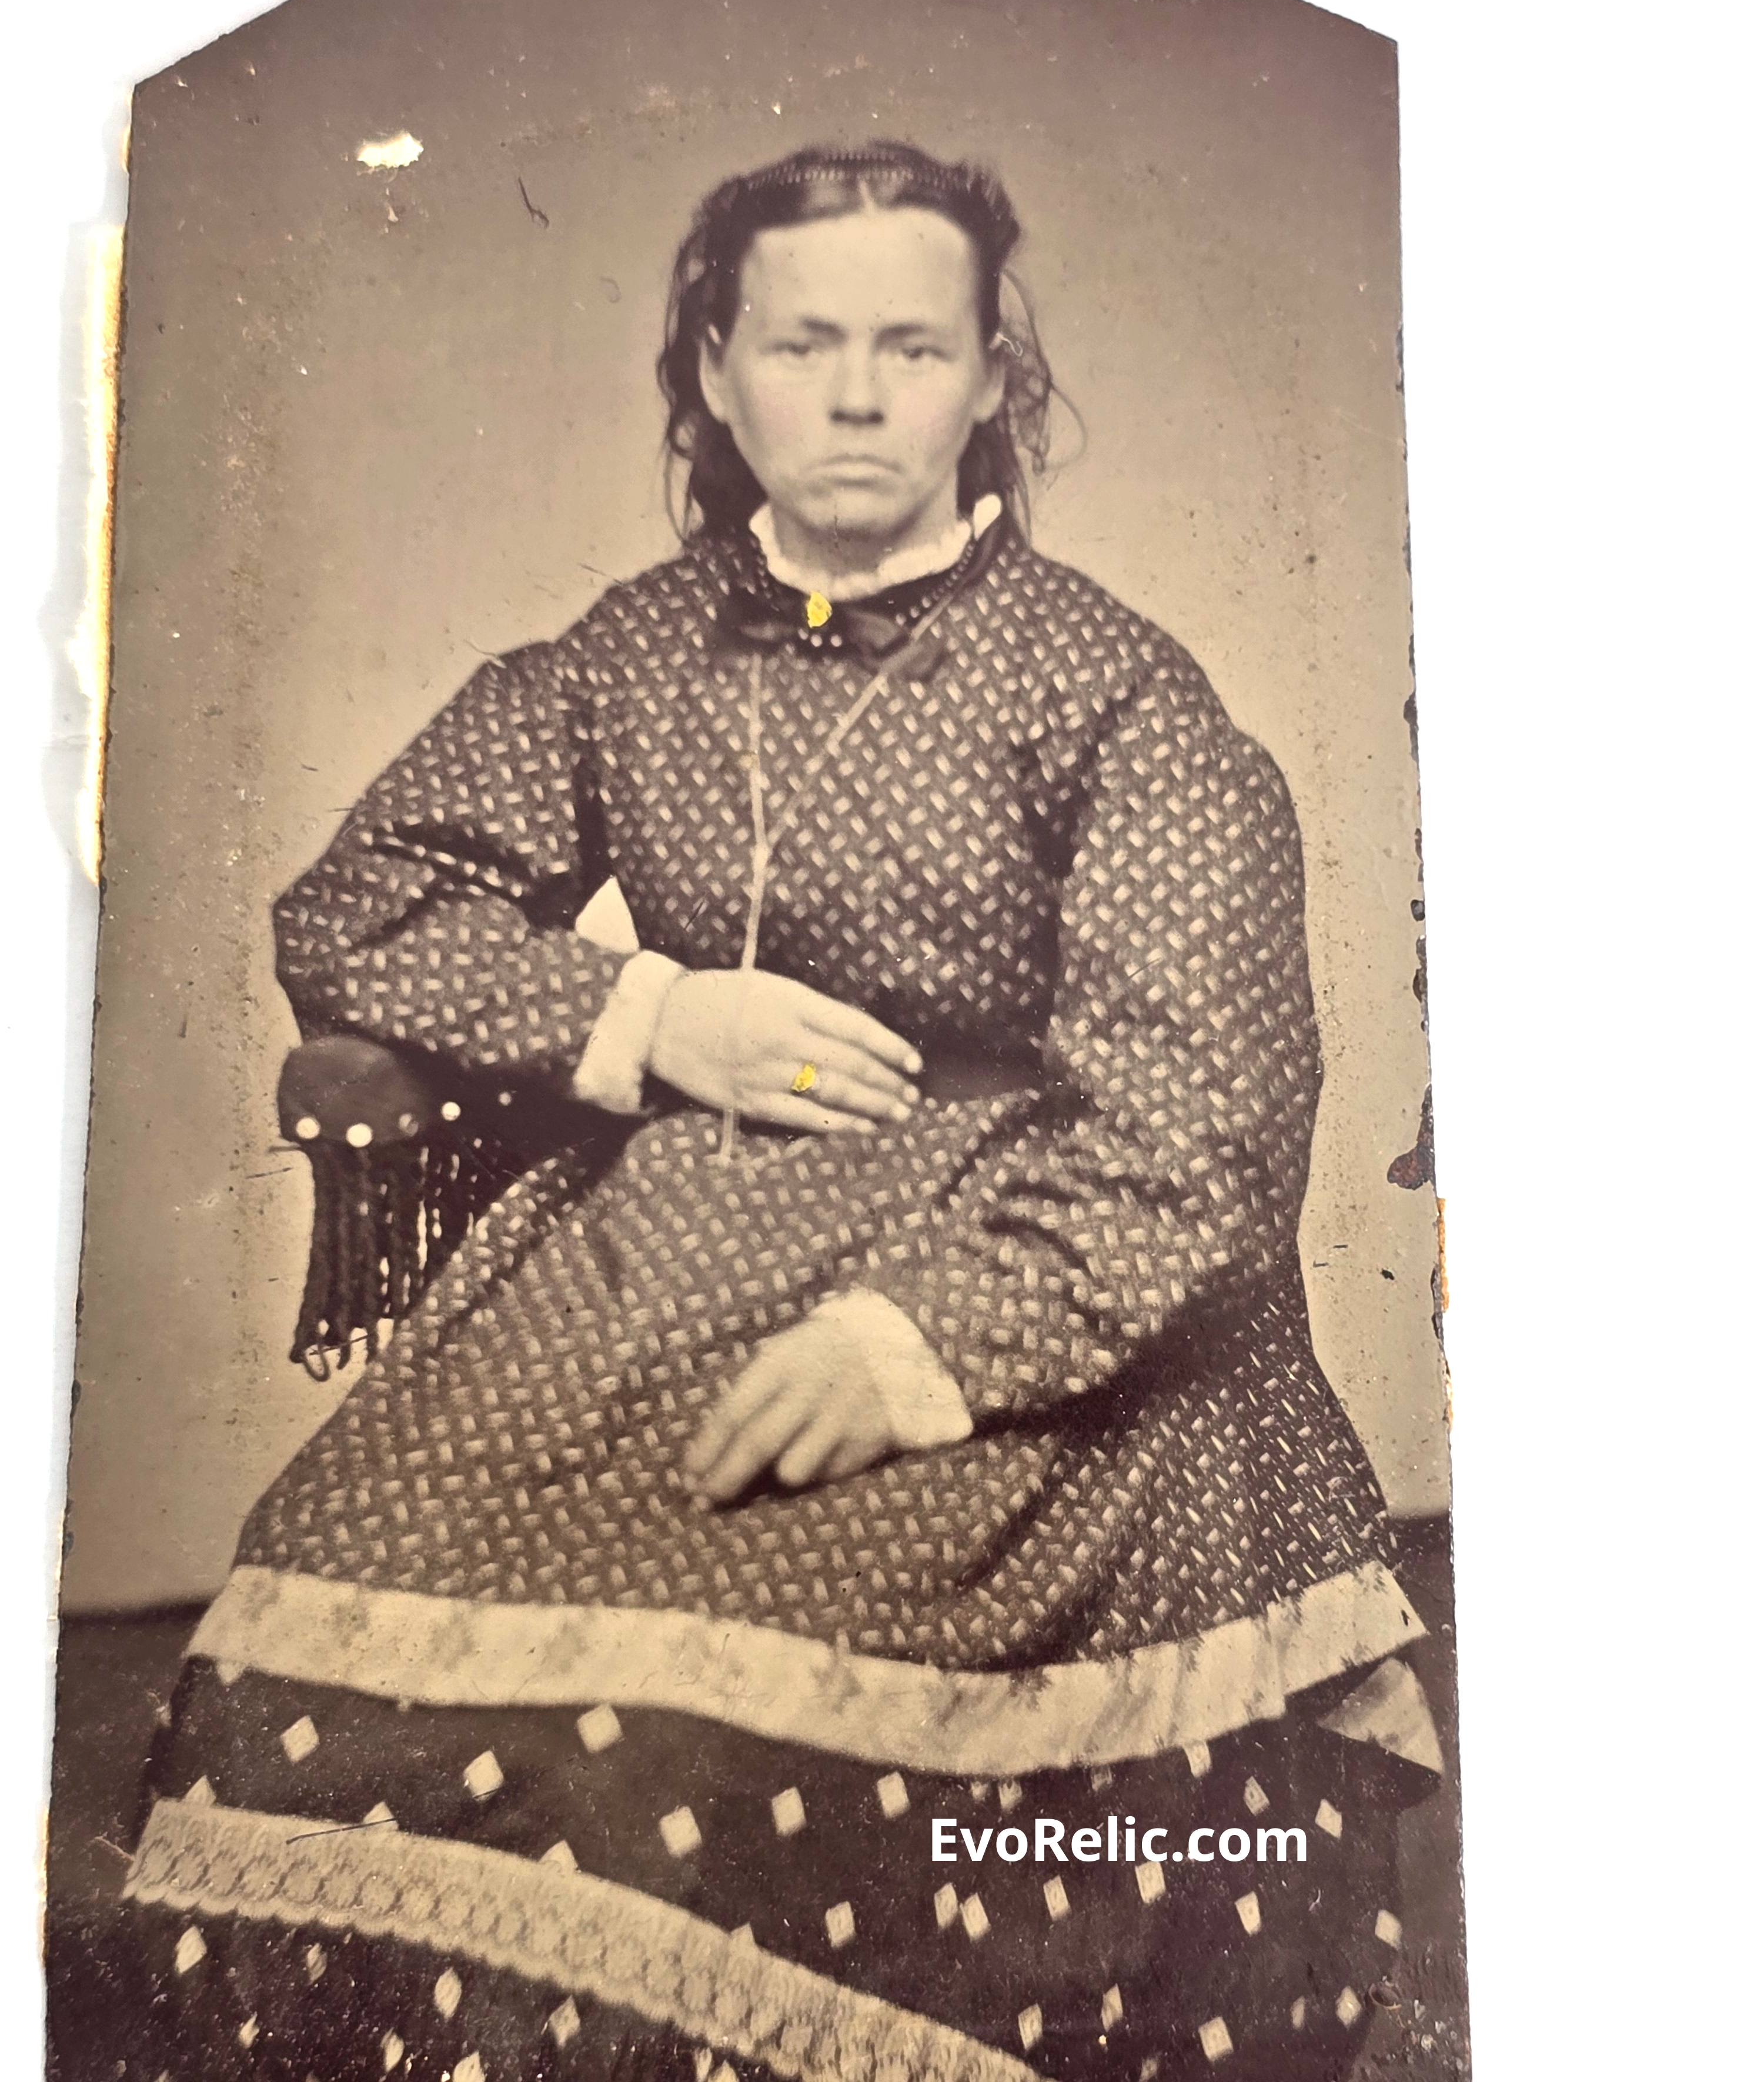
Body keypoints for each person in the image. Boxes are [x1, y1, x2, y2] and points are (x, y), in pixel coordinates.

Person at [120, 142, 1441, 2080]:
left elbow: (1199, 1127)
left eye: (913, 346)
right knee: (283, 1659)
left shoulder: (1115, 699)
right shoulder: (626, 660)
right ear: (714, 373)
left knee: (697, 1760)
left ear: (995, 378)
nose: (852, 393)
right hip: (661, 1250)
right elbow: (358, 906)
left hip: (1036, 1291)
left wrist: (921, 1347)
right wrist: (657, 1018)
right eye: (801, 341)